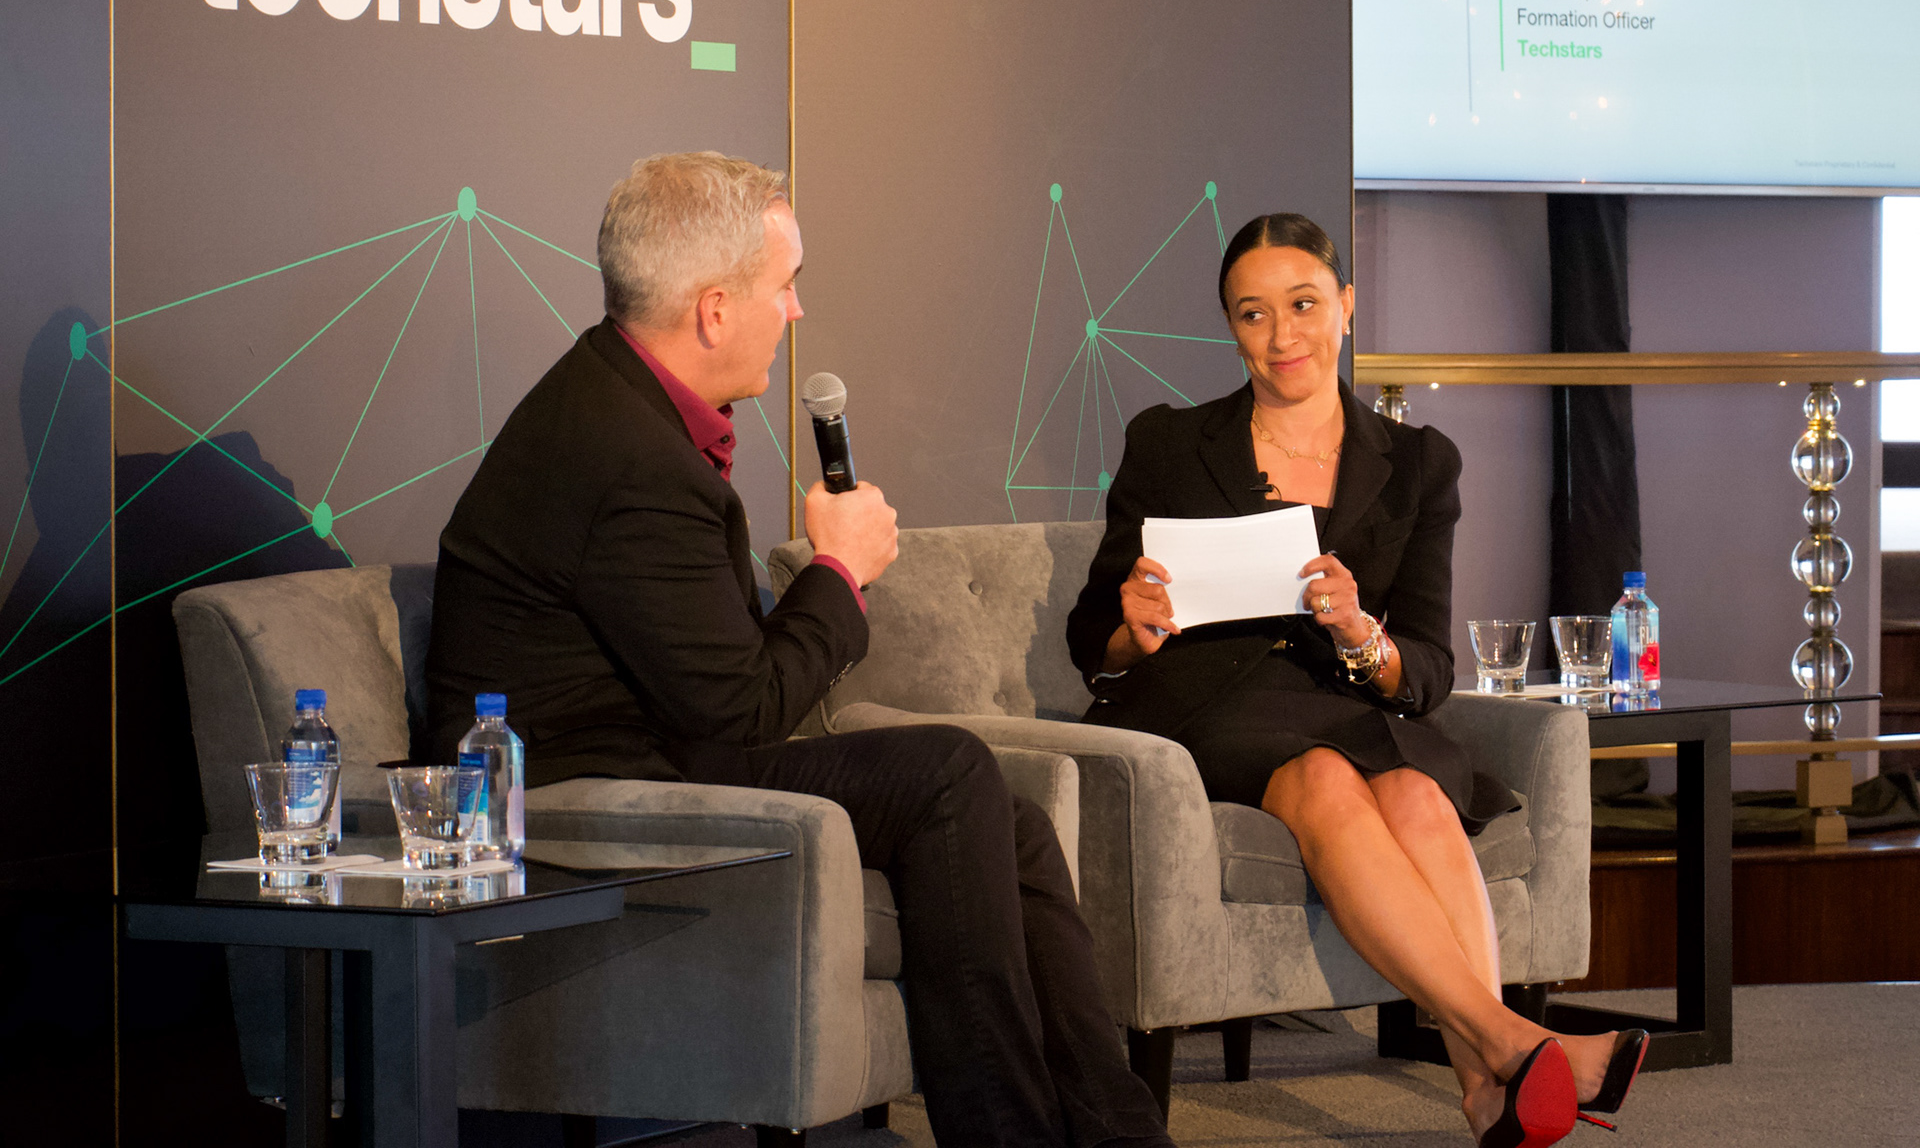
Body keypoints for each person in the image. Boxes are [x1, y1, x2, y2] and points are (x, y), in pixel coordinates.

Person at [425, 152, 1173, 1148]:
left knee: (1015, 820)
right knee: (947, 770)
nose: (798, 310)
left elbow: (719, 678)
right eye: (786, 286)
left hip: (660, 749)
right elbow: (743, 707)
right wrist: (839, 568)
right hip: (580, 795)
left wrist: (826, 580)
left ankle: (1122, 1137)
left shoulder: (619, 406)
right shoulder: (627, 455)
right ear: (715, 309)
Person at [1064, 214, 1646, 1148]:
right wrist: (1129, 629)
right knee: (1324, 777)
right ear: (1231, 327)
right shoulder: (1169, 443)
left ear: (1344, 305)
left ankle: (1486, 1088)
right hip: (1211, 704)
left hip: (1349, 704)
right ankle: (1510, 1041)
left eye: (1302, 305)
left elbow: (1428, 668)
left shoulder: (1418, 463)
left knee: (1417, 791)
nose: (1281, 335)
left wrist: (1360, 633)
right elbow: (1090, 635)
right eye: (1252, 314)